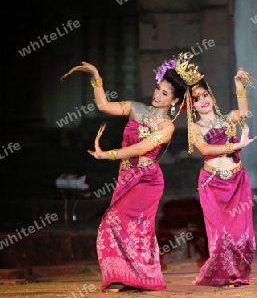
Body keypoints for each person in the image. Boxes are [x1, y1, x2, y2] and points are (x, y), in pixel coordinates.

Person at [60, 53, 202, 292]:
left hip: (147, 180)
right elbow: (104, 105)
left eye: (165, 93)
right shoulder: (136, 108)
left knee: (113, 220)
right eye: (158, 88)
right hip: (126, 177)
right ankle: (132, 278)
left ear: (175, 101)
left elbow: (140, 148)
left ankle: (125, 277)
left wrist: (108, 154)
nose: (158, 94)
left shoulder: (166, 127)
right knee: (132, 228)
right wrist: (97, 77)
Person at [184, 68, 257, 287]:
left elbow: (243, 111)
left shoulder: (228, 119)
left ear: (211, 96)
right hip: (212, 185)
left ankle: (236, 274)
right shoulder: (194, 127)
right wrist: (237, 145)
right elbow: (206, 149)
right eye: (197, 99)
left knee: (241, 236)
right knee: (220, 236)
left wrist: (238, 84)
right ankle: (222, 274)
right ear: (192, 106)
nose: (203, 101)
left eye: (205, 95)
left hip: (237, 182)